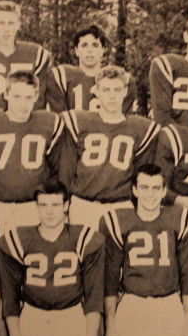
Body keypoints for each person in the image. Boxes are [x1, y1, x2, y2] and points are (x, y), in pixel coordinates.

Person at [100, 164, 188, 336]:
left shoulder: (180, 219)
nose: (150, 195)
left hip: (169, 305)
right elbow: (110, 280)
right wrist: (112, 324)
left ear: (164, 191)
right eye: (144, 188)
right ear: (134, 190)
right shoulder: (118, 221)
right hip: (132, 306)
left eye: (156, 188)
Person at [0, 179, 104, 336]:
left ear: (66, 206)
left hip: (71, 317)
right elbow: (10, 297)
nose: (49, 211)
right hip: (32, 317)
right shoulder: (19, 239)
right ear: (36, 207)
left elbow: (94, 296)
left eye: (55, 205)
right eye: (43, 205)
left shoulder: (84, 238)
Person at [58, 66, 160, 229]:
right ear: (96, 91)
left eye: (117, 89)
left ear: (125, 91)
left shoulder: (139, 128)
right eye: (106, 90)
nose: (112, 96)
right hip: (83, 205)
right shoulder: (80, 121)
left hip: (120, 206)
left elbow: (140, 174)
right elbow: (67, 170)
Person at [0, 70, 66, 231]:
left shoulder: (48, 124)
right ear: (6, 94)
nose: (23, 104)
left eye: (28, 97)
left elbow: (56, 170)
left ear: (36, 97)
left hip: (33, 208)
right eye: (17, 97)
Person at [47, 25, 137, 114]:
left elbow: (122, 122)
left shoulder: (121, 80)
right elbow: (59, 118)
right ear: (76, 50)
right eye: (84, 45)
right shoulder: (63, 77)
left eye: (95, 45)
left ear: (102, 50)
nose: (89, 50)